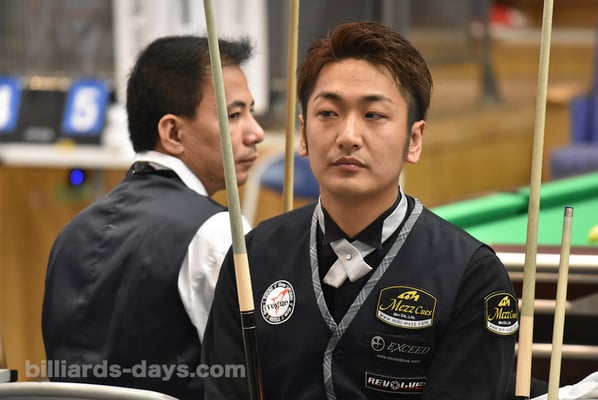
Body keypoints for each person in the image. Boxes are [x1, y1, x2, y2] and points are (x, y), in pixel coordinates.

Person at [202, 21, 519, 399]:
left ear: (414, 139)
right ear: (303, 134)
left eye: (373, 115)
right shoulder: (252, 257)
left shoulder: (471, 276)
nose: (348, 136)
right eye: (328, 113)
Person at [42, 35, 265, 400]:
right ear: (173, 132)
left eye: (251, 112)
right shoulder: (218, 233)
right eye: (234, 115)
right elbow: (257, 374)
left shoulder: (70, 233)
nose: (255, 132)